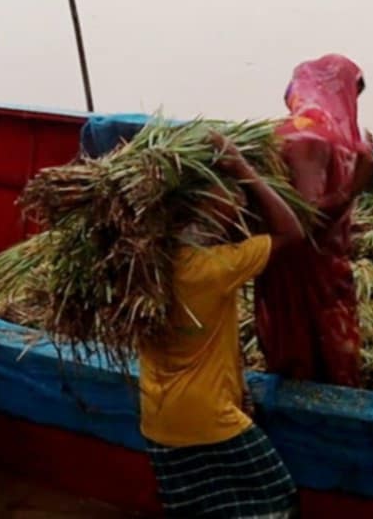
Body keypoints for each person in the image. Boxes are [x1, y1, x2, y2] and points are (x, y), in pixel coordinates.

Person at [138, 132, 305, 518]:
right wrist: (243, 169)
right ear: (202, 207)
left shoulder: (146, 264)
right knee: (276, 500)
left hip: (158, 419)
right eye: (227, 195)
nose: (237, 201)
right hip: (208, 420)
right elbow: (291, 232)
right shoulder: (214, 269)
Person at [253, 55, 373, 387]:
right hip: (306, 271)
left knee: (303, 350)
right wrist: (356, 185)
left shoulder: (319, 132)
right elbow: (305, 223)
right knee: (315, 355)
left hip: (307, 264)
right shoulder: (310, 139)